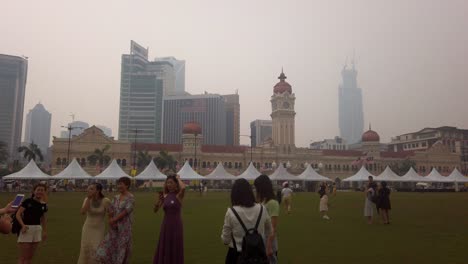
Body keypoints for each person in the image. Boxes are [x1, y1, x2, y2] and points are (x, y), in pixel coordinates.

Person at [221, 178, 272, 264]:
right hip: (258, 255)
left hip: (236, 255)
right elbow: (269, 231)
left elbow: (225, 240)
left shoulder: (231, 212)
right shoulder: (262, 209)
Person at [96, 177, 135, 264]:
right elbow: (110, 210)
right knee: (105, 247)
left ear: (127, 185)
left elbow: (126, 211)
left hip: (124, 228)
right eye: (118, 184)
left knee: (121, 249)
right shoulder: (116, 197)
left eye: (121, 184)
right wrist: (110, 220)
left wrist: (114, 219)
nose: (119, 186)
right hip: (113, 228)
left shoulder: (130, 197)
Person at [153, 174, 186, 264]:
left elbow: (183, 188)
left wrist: (178, 178)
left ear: (176, 184)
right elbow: (155, 210)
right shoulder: (164, 195)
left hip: (176, 225)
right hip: (166, 224)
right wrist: (157, 202)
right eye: (167, 183)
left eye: (171, 182)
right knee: (165, 245)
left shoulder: (178, 195)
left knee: (175, 245)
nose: (169, 185)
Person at [77, 183, 111, 264]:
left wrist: (112, 227)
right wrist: (88, 199)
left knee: (97, 248)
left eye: (92, 189)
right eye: (88, 188)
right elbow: (82, 212)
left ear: (98, 190)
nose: (88, 190)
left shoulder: (106, 201)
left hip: (99, 229)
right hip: (87, 227)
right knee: (85, 247)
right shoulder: (87, 199)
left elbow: (111, 214)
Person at [15, 183, 48, 264]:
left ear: (44, 192)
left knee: (30, 257)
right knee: (23, 257)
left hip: (37, 230)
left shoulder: (44, 204)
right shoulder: (28, 201)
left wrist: (44, 231)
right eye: (38, 190)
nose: (40, 192)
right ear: (34, 191)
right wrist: (22, 226)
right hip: (26, 229)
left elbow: (43, 218)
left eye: (42, 190)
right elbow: (18, 214)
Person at [254, 175, 279, 264]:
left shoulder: (272, 203)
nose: (256, 190)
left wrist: (268, 246)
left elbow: (273, 227)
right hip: (259, 241)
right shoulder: (261, 202)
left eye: (257, 188)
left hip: (268, 242)